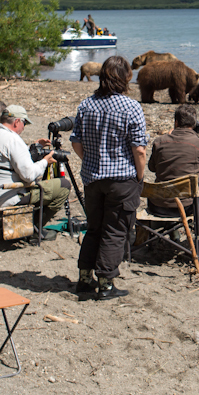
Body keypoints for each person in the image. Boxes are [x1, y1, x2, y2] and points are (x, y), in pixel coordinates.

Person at [70, 56, 149, 301]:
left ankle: (85, 279)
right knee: (115, 231)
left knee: (94, 228)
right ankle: (106, 283)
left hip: (93, 177)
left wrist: (90, 160)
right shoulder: (131, 107)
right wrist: (140, 174)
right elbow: (139, 149)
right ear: (126, 77)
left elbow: (76, 141)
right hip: (122, 179)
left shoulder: (87, 105)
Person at [0, 105, 70, 240]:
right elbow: (29, 176)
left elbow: (7, 156)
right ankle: (33, 228)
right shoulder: (13, 140)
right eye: (24, 123)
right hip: (4, 196)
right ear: (17, 122)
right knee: (64, 185)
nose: (24, 127)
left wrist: (32, 147)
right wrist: (45, 161)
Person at [147, 104, 199, 249]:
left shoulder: (159, 142)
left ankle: (173, 234)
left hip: (157, 205)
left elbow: (152, 168)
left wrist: (168, 137)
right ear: (194, 124)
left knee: (172, 189)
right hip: (186, 207)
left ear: (176, 122)